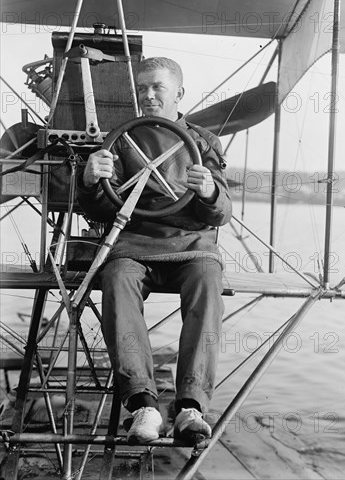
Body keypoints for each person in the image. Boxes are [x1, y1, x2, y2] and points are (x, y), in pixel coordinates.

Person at [77, 57, 232, 444]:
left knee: (208, 280)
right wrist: (91, 181)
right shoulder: (119, 139)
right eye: (142, 88)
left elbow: (222, 212)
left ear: (178, 93)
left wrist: (209, 191)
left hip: (192, 247)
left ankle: (190, 407)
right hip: (133, 245)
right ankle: (143, 403)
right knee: (116, 276)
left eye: (157, 88)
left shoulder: (204, 142)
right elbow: (99, 209)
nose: (148, 95)